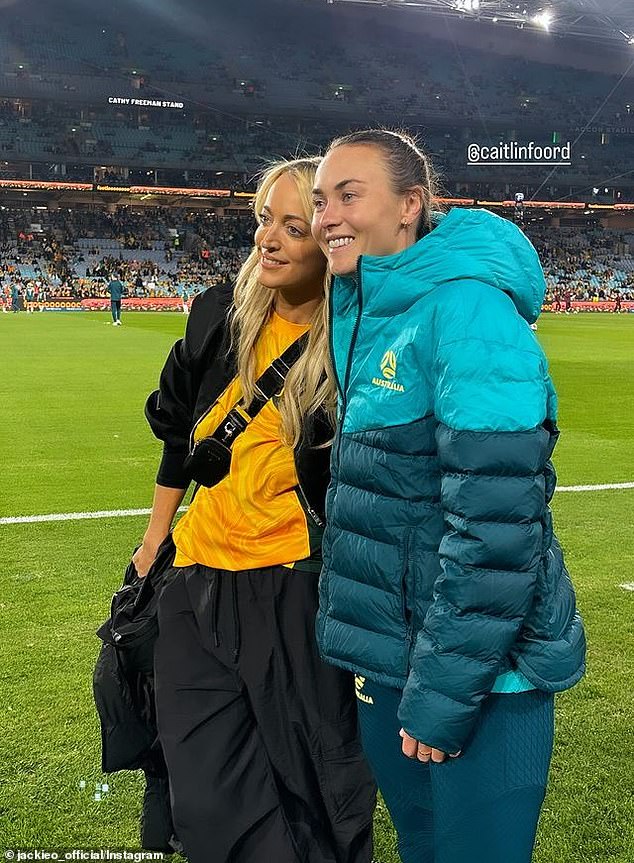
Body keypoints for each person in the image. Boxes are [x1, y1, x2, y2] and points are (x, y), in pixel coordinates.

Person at [310, 129, 586, 863]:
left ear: (410, 206)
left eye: (348, 194)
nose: (326, 215)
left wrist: (442, 693)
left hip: (481, 680)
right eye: (318, 200)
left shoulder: (467, 310)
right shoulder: (369, 311)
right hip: (398, 662)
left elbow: (498, 526)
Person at [135, 157, 375, 863]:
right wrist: (154, 542)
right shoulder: (218, 313)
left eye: (291, 227)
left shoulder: (353, 341)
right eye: (263, 219)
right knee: (204, 794)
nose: (266, 238)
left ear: (329, 244)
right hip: (196, 581)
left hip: (294, 587)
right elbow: (182, 432)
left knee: (313, 789)